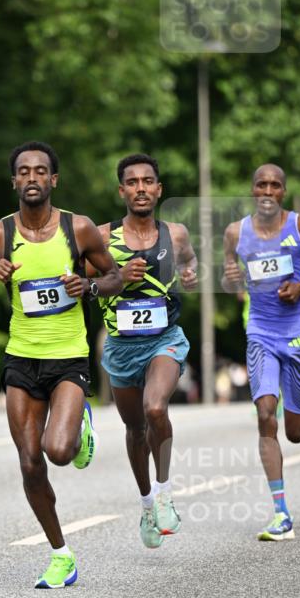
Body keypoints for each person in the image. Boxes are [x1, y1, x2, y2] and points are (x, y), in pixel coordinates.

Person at [0, 141, 122, 589]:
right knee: (31, 462)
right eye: (23, 172)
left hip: (68, 355)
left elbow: (112, 278)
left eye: (40, 172)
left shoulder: (80, 228)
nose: (32, 178)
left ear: (53, 180)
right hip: (21, 358)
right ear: (13, 181)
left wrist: (87, 287)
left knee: (58, 451)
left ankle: (78, 428)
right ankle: (60, 554)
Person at [222, 165, 300, 540]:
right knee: (264, 413)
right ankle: (280, 513)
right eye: (261, 183)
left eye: (275, 185)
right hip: (260, 331)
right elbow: (232, 275)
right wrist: (231, 280)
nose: (268, 190)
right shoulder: (235, 232)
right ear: (252, 188)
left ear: (283, 192)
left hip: (296, 333)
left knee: (295, 433)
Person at [91, 154, 198, 550]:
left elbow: (189, 262)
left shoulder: (177, 233)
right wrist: (116, 279)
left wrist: (190, 273)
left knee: (156, 409)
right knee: (135, 429)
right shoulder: (101, 237)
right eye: (132, 182)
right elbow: (81, 282)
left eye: (148, 181)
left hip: (164, 339)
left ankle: (166, 491)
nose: (140, 188)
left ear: (158, 189)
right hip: (121, 346)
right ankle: (147, 504)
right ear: (122, 191)